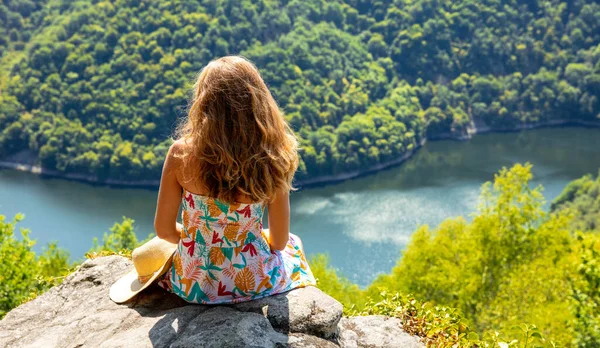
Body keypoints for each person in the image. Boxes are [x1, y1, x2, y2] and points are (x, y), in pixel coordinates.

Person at [146, 56, 316, 304]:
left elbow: (163, 230)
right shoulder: (272, 156)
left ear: (203, 102)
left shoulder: (180, 153)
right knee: (293, 243)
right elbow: (279, 242)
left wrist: (201, 240)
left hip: (193, 283)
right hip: (252, 281)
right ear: (258, 101)